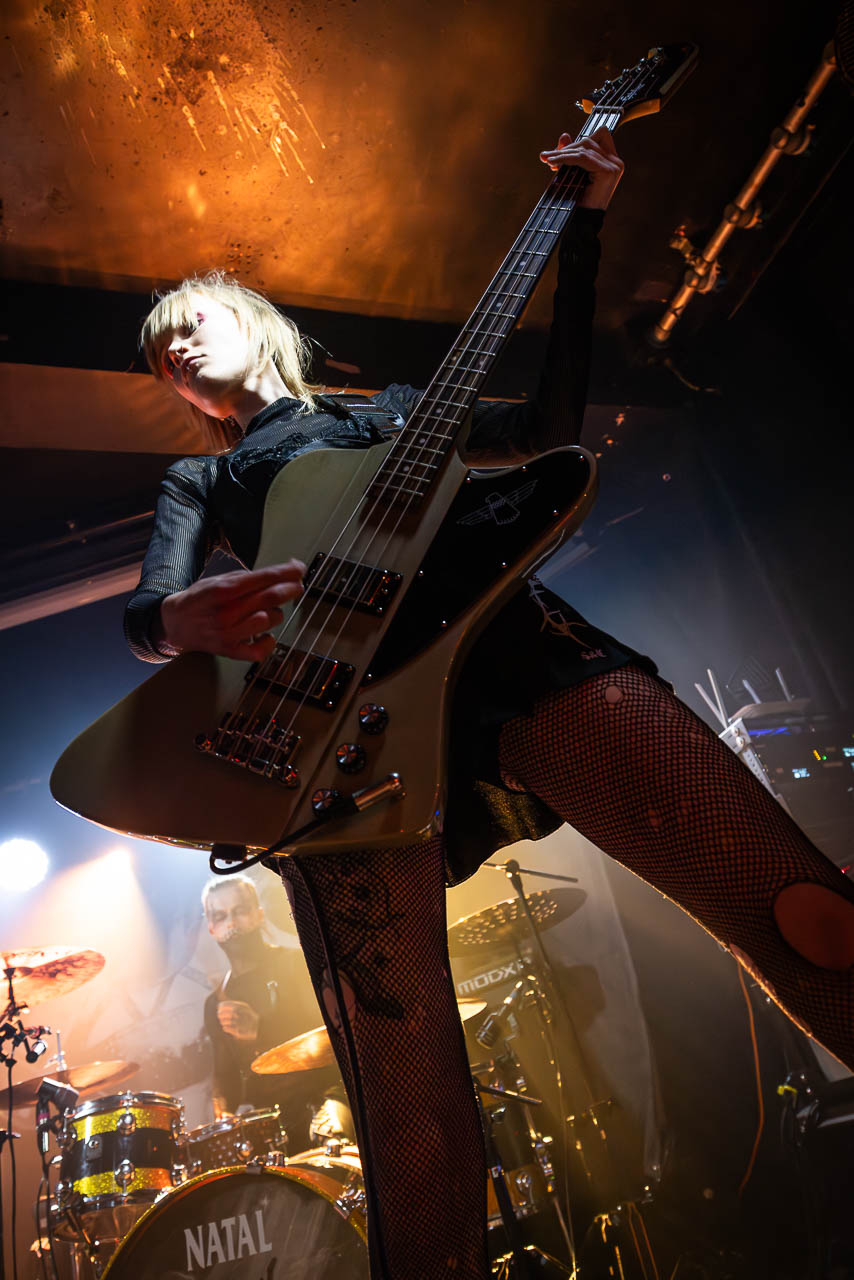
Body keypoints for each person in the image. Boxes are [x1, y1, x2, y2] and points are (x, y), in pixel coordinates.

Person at [126, 127, 854, 1280]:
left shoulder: (389, 409)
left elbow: (548, 428)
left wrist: (582, 230)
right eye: (160, 354)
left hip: (522, 658)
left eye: (190, 321)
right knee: (404, 1111)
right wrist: (178, 621)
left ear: (256, 322)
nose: (174, 347)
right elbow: (147, 610)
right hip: (340, 741)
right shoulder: (204, 476)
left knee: (806, 915)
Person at [201, 873, 334, 1153]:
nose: (231, 924)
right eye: (221, 916)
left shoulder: (295, 964)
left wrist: (261, 1030)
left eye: (240, 911)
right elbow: (223, 1074)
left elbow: (329, 1038)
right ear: (211, 928)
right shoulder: (214, 1003)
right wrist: (222, 1108)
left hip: (321, 1102)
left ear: (259, 915)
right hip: (267, 1128)